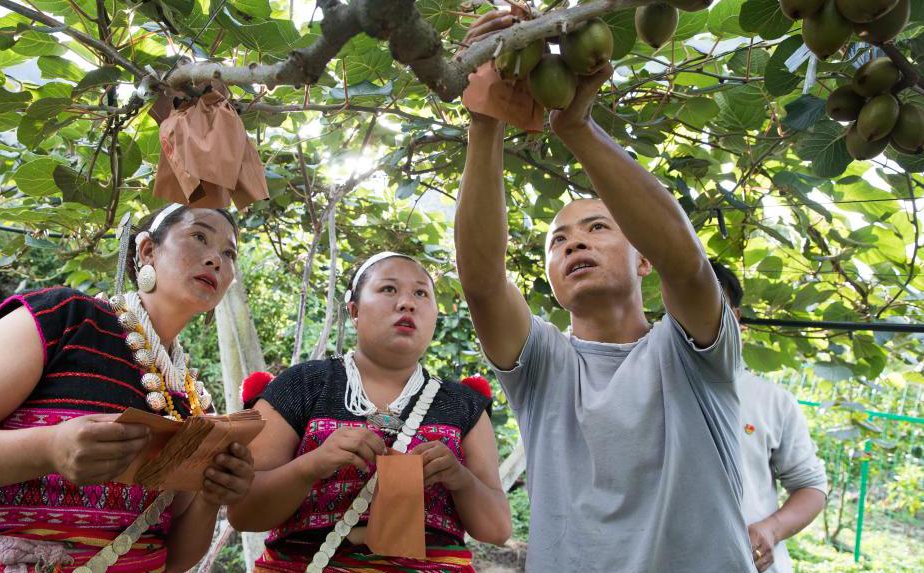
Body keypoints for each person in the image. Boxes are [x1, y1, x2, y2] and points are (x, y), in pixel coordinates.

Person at [454, 10, 755, 573]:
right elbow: (482, 280)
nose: (573, 244)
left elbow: (688, 266)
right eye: (557, 240)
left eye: (597, 227)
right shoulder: (544, 366)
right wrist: (485, 115)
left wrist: (576, 127)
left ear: (643, 258)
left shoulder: (691, 355)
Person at [0, 205, 256, 573]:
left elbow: (174, 558)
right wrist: (48, 448)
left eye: (229, 253)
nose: (216, 259)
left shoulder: (194, 401)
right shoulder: (65, 319)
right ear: (148, 250)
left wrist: (211, 497)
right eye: (199, 237)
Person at [229, 252, 510, 572]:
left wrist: (460, 479)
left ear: (434, 314)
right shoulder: (302, 385)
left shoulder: (463, 403)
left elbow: (497, 529)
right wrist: (313, 465)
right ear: (354, 310)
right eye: (389, 289)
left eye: (421, 293)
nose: (407, 303)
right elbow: (243, 512)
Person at [711, 261, 828, 573]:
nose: (694, 314)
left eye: (709, 302)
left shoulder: (772, 401)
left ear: (735, 319)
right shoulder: (645, 388)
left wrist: (771, 529)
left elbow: (811, 487)